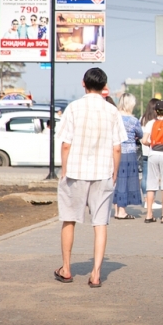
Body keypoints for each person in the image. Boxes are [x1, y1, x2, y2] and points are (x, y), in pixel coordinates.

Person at [54, 67, 127, 288]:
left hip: (75, 172)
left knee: (69, 218)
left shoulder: (73, 108)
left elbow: (66, 143)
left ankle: (66, 269)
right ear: (104, 86)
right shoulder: (112, 111)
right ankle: (96, 273)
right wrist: (115, 171)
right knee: (100, 222)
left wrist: (64, 169)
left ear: (83, 83)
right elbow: (117, 147)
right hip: (103, 172)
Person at [113, 93, 143, 219]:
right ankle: (122, 211)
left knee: (117, 180)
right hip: (129, 153)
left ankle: (116, 210)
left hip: (115, 151)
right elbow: (140, 134)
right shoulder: (133, 120)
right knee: (126, 181)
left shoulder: (115, 117)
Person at [139, 98, 162, 211]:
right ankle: (151, 201)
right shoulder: (156, 122)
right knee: (154, 177)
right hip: (154, 151)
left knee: (145, 176)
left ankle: (145, 200)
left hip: (144, 151)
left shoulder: (142, 119)